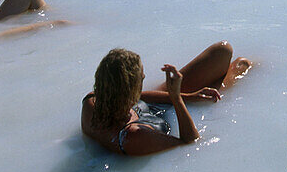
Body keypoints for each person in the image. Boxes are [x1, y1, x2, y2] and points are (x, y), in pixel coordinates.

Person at [81, 43, 251, 156]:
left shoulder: (93, 101)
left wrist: (189, 96)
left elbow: (138, 97)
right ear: (129, 88)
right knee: (241, 65)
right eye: (141, 78)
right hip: (170, 113)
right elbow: (190, 141)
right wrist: (176, 98)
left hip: (153, 106)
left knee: (222, 51)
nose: (145, 76)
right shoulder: (133, 137)